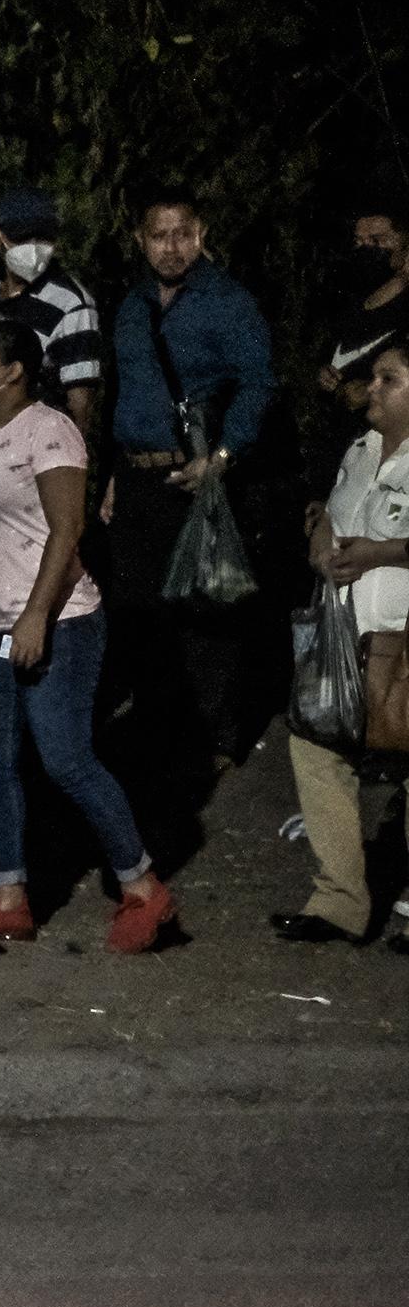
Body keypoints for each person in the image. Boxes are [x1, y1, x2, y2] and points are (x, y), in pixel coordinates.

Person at [0, 320, 175, 950]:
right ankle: (9, 894)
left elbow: (66, 529)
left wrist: (35, 616)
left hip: (59, 619)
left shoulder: (48, 430)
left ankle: (142, 885)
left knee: (67, 759)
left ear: (15, 369)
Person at [101, 185, 279, 774]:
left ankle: (218, 735)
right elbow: (124, 396)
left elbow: (259, 383)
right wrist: (113, 476)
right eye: (160, 235)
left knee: (206, 606)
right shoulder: (130, 306)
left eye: (183, 233)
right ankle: (159, 725)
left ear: (201, 234)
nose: (172, 246)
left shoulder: (227, 301)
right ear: (140, 239)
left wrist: (222, 456)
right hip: (137, 480)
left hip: (197, 475)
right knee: (140, 609)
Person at [280, 343, 409, 944]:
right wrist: (320, 537)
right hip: (345, 632)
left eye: (390, 379)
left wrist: (379, 552)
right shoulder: (358, 451)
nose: (372, 389)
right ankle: (340, 901)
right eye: (372, 377)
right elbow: (332, 517)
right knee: (316, 746)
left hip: (400, 634)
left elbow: (381, 542)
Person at [0, 187, 106, 432]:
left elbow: (80, 409)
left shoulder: (72, 304)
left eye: (44, 237)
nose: (34, 247)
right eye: (23, 237)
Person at [307, 181, 409, 490]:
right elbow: (339, 345)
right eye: (359, 240)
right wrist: (322, 371)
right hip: (338, 448)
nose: (366, 249)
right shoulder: (356, 287)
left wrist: (372, 390)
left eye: (377, 240)